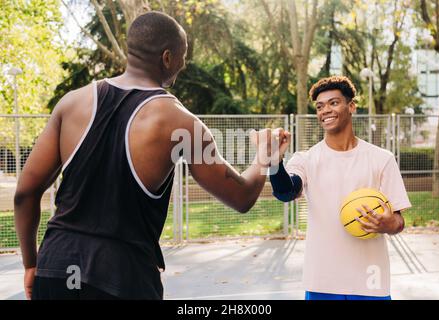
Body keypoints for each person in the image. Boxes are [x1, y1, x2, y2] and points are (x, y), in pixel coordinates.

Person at [14, 11, 290, 300]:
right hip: (121, 276)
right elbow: (241, 196)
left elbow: (25, 193)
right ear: (167, 57)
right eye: (183, 57)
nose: (183, 65)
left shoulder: (71, 103)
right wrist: (265, 156)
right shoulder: (181, 123)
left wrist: (31, 264)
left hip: (57, 266)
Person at [270, 76, 411, 300]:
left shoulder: (381, 159)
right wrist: (274, 162)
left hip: (370, 281)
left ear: (351, 106)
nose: (326, 110)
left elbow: (398, 221)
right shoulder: (306, 159)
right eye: (320, 106)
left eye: (334, 103)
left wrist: (388, 223)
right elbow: (285, 192)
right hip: (322, 280)